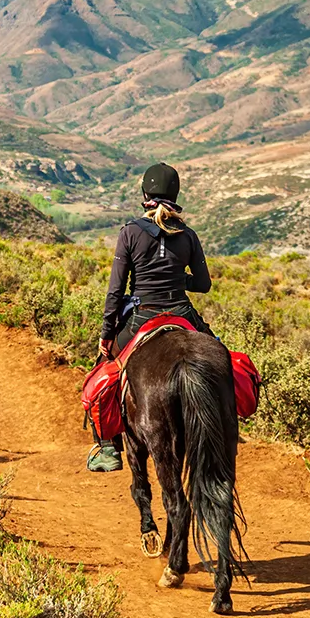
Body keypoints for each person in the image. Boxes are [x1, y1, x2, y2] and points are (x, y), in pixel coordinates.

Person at [87, 162, 215, 472]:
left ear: (145, 193)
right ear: (176, 193)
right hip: (183, 312)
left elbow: (115, 291)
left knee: (104, 373)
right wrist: (175, 279)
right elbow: (203, 284)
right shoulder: (188, 235)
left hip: (142, 315)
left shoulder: (130, 232)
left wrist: (106, 334)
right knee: (217, 354)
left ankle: (107, 448)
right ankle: (223, 420)